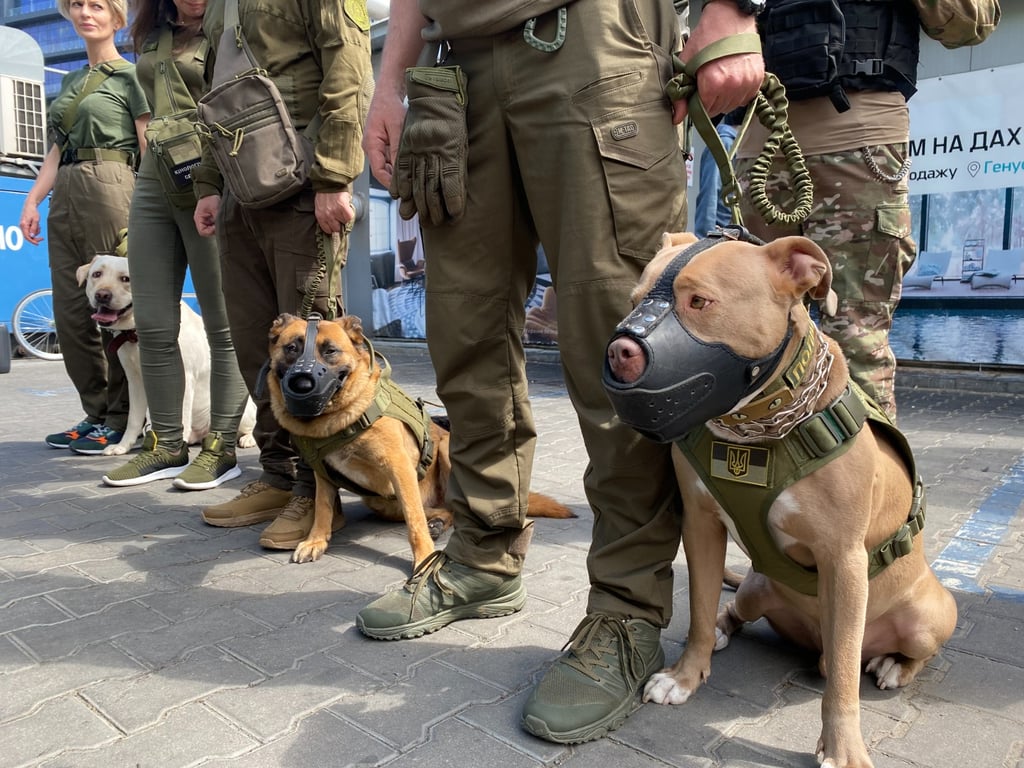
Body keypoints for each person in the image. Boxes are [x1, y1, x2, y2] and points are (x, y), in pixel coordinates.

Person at [354, 0, 762, 744]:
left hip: (593, 40)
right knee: (463, 330)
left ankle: (627, 610)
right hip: (455, 70)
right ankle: (483, 553)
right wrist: (391, 81)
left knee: (622, 347)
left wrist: (731, 10)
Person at [732, 0, 1000, 419]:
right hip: (758, 141)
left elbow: (970, 23)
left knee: (855, 341)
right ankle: (760, 482)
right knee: (752, 340)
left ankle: (869, 483)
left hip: (859, 135)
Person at [191, 0, 371, 547]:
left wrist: (335, 175)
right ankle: (276, 474)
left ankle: (318, 491)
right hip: (241, 188)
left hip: (300, 176)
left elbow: (349, 66)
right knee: (259, 345)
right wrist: (208, 182)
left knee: (313, 349)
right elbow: (217, 100)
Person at [100, 0, 252, 489]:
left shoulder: (233, 23)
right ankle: (166, 444)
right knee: (152, 320)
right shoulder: (155, 32)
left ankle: (222, 445)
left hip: (211, 170)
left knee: (221, 323)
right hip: (154, 175)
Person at [19, 0, 149, 455]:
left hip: (113, 185)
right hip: (67, 192)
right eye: (77, 5)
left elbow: (148, 145)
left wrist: (149, 211)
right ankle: (95, 412)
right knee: (72, 312)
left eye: (96, 5)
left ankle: (123, 419)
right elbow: (55, 152)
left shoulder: (132, 76)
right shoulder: (73, 81)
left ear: (117, 17)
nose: (85, 13)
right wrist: (33, 200)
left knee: (114, 310)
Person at [693, 106, 744, 235]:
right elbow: (710, 194)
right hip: (721, 235)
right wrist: (704, 240)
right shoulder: (725, 143)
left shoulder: (737, 145)